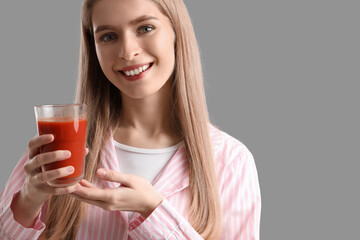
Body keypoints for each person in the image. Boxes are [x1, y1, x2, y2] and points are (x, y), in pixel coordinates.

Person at [0, 0, 261, 239]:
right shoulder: (59, 146)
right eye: (109, 36)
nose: (127, 51)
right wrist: (28, 199)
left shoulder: (230, 160)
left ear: (176, 32)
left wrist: (153, 210)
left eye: (145, 28)